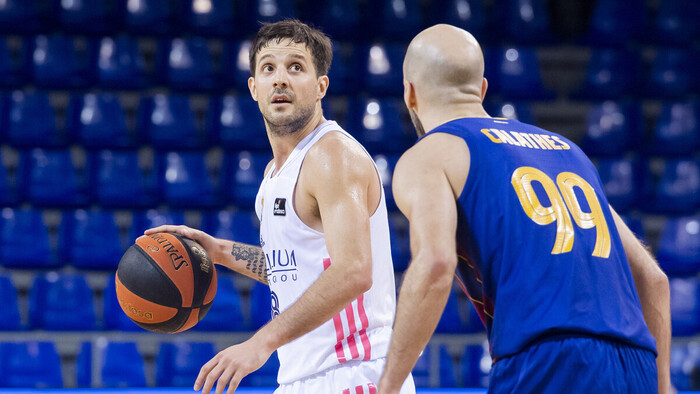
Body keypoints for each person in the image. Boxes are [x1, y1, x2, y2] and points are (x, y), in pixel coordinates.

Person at [377, 24, 671, 393]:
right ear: (482, 89)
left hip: (546, 360)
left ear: (410, 94)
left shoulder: (429, 154)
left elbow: (435, 264)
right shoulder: (568, 152)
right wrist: (662, 385)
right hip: (635, 362)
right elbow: (654, 281)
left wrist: (388, 385)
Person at [145, 19, 415, 394]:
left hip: (354, 372)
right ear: (254, 88)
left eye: (296, 67)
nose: (280, 79)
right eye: (268, 68)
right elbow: (297, 275)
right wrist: (219, 251)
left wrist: (260, 344)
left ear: (321, 86)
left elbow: (353, 271)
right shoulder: (275, 173)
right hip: (300, 378)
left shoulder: (332, 155)